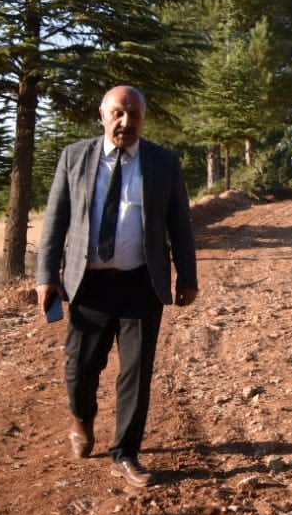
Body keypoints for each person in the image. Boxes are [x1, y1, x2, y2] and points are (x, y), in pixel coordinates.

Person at [35, 85, 198, 488]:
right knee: (80, 368)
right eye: (118, 113)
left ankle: (125, 453)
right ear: (103, 114)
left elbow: (180, 223)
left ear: (143, 119)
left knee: (136, 373)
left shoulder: (163, 162)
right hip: (88, 284)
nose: (125, 122)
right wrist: (46, 276)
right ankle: (82, 418)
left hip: (141, 283)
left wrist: (187, 276)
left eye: (134, 115)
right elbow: (55, 220)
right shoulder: (75, 157)